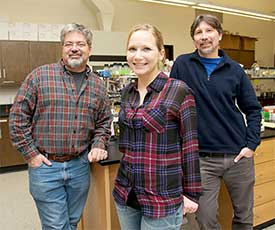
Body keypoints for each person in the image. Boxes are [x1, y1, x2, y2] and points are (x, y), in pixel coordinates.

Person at [9, 23, 112, 229]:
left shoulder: (98, 85)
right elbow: (17, 119)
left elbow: (104, 122)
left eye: (80, 44)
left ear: (89, 49)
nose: (74, 48)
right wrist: (31, 155)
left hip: (80, 167)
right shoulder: (40, 76)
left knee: (72, 222)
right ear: (62, 48)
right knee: (56, 225)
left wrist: (99, 144)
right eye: (69, 44)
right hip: (46, 167)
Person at [170, 14, 262, 230]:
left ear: (219, 35)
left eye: (209, 31)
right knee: (205, 220)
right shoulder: (183, 64)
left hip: (238, 156)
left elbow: (253, 110)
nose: (204, 37)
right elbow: (171, 105)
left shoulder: (235, 70)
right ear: (193, 39)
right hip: (202, 159)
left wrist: (251, 145)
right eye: (198, 32)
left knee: (243, 216)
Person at [112, 24, 201, 230]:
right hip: (126, 193)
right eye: (132, 49)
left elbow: (190, 147)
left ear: (161, 54)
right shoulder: (128, 92)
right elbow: (125, 145)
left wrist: (191, 193)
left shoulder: (178, 91)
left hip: (161, 199)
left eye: (146, 49)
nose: (138, 56)